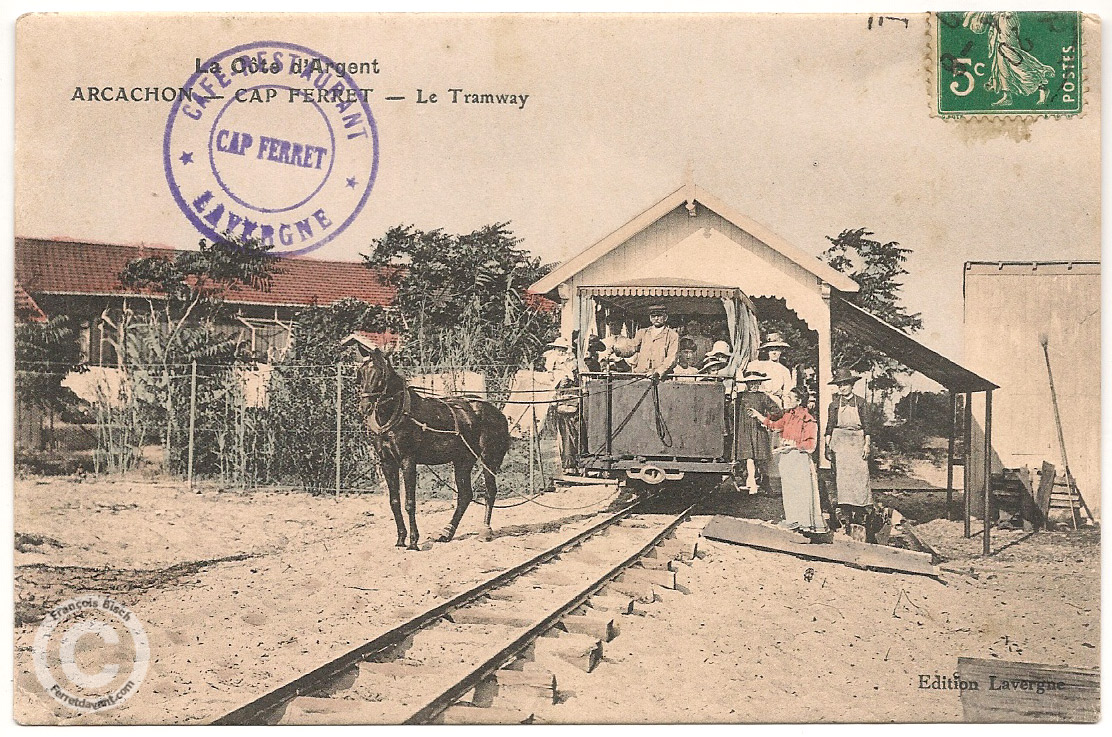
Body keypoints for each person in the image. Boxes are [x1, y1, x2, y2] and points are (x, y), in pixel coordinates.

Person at [749, 386, 827, 534]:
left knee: (801, 491)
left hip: (800, 459)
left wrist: (794, 445)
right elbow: (773, 426)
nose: (786, 400)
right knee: (789, 490)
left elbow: (811, 444)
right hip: (787, 459)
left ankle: (805, 523)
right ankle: (793, 520)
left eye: (790, 398)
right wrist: (759, 416)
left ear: (798, 401)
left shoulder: (807, 419)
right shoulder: (788, 416)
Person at [823, 367, 873, 539]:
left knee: (860, 479)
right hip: (840, 441)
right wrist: (827, 445)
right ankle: (845, 519)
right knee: (842, 481)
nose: (843, 388)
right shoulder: (834, 405)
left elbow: (868, 426)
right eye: (840, 385)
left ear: (852, 385)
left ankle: (860, 517)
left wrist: (867, 445)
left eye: (846, 384)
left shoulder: (861, 403)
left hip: (857, 440)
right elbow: (829, 426)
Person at [734, 370, 778, 493]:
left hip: (759, 429)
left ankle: (765, 481)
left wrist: (764, 419)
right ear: (746, 384)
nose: (754, 386)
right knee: (749, 458)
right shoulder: (740, 396)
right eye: (751, 383)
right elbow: (732, 411)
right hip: (744, 430)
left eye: (756, 383)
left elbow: (777, 411)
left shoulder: (763, 396)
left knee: (762, 459)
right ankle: (751, 482)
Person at [747, 332, 795, 408]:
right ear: (767, 351)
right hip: (759, 400)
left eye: (777, 350)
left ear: (781, 351)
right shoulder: (760, 365)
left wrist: (785, 404)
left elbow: (787, 392)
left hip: (776, 402)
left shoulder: (784, 370)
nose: (774, 353)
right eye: (771, 350)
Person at [629, 304, 680, 376]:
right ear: (650, 318)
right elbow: (631, 347)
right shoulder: (642, 333)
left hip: (661, 378)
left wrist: (659, 371)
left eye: (659, 316)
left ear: (665, 317)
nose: (656, 318)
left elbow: (671, 358)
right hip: (641, 375)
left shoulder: (672, 335)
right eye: (653, 316)